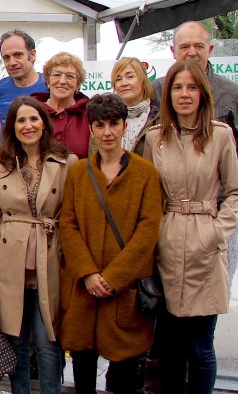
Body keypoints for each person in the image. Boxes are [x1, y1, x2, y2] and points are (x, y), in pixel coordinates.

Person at [144, 61, 238, 393]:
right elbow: (149, 195)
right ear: (168, 93)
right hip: (167, 244)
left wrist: (217, 233)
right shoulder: (155, 138)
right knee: (170, 343)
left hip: (205, 243)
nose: (184, 94)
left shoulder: (221, 135)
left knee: (200, 345)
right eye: (176, 87)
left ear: (202, 93)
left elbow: (234, 192)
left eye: (191, 87)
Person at [57, 93, 162, 394]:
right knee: (83, 375)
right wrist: (87, 273)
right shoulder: (78, 172)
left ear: (125, 126)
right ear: (90, 129)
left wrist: (113, 277)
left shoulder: (145, 174)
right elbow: (69, 223)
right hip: (84, 292)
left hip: (123, 291)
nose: (107, 132)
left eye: (114, 124)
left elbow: (148, 230)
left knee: (126, 378)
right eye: (100, 125)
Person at [150, 21, 238, 278]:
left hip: (215, 213)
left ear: (209, 49)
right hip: (170, 217)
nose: (192, 52)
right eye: (184, 46)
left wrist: (224, 209)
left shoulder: (232, 93)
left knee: (212, 288)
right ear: (173, 51)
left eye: (198, 46)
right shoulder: (157, 90)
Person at [0, 96, 77, 394]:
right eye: (20, 120)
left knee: (48, 342)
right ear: (11, 127)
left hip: (48, 259)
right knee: (15, 340)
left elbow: (69, 215)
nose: (28, 126)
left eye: (33, 119)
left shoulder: (66, 161)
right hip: (9, 262)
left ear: (44, 123)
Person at [0, 29, 47, 140]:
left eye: (18, 55)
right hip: (9, 157)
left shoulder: (51, 86)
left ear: (32, 55)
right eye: (6, 57)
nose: (12, 63)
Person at [32, 51, 90, 158]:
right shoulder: (32, 111)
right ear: (48, 81)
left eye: (70, 76)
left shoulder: (89, 114)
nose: (62, 81)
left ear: (78, 84)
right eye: (57, 75)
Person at [111, 57, 158, 155]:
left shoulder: (159, 119)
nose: (124, 83)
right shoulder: (106, 118)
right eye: (118, 79)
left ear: (143, 81)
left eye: (130, 77)